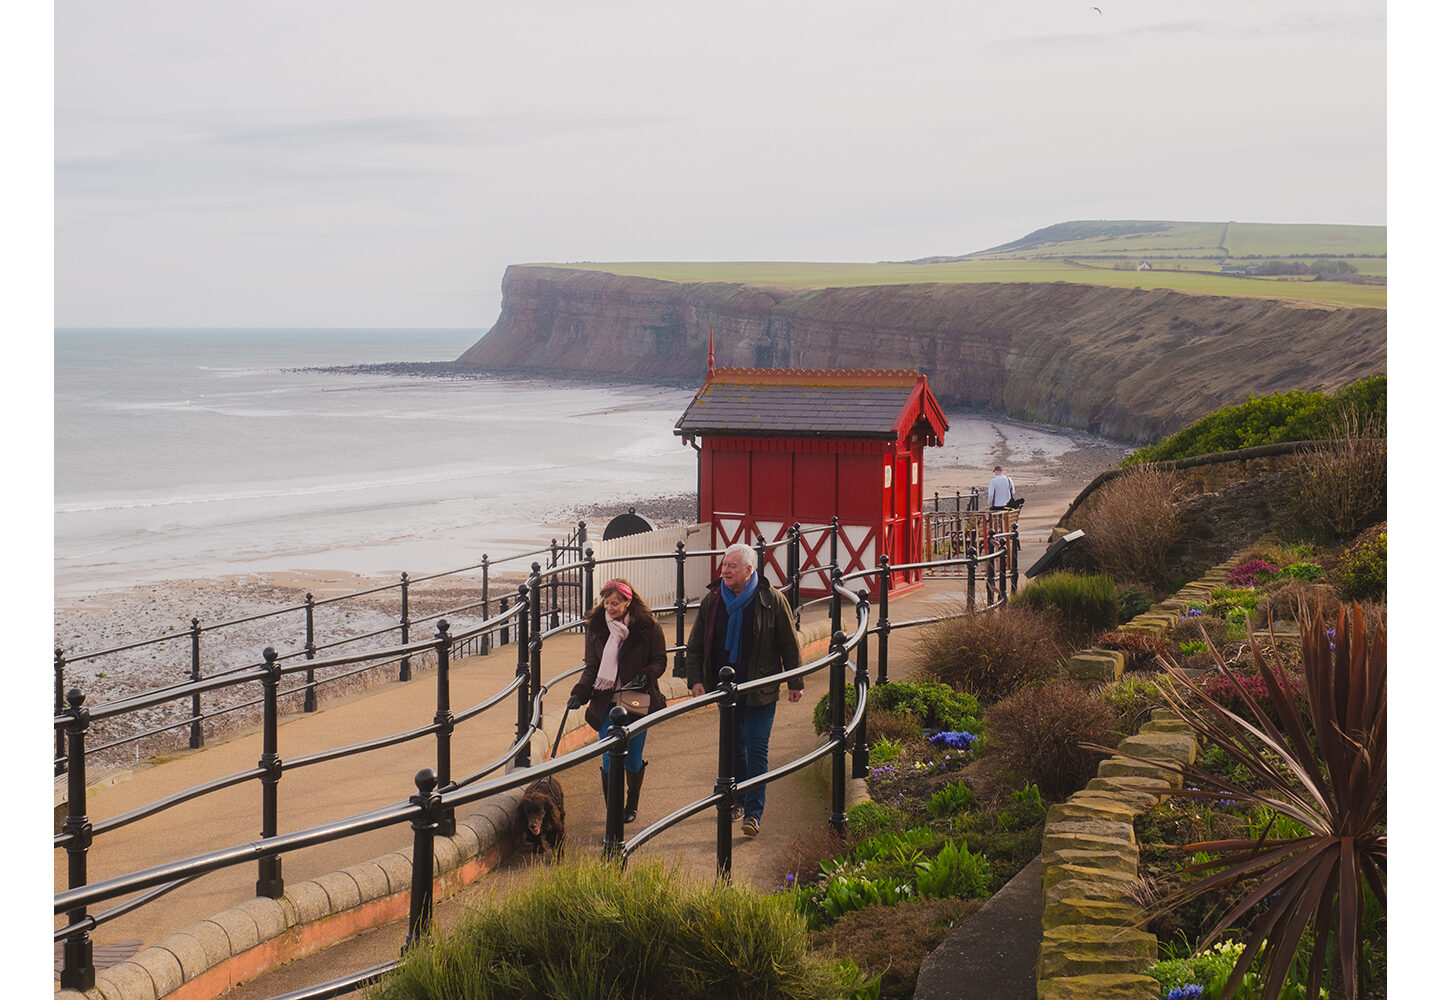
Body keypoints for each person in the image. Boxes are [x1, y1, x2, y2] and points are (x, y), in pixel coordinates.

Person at [684, 542, 803, 838]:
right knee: (735, 747)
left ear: (749, 571)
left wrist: (795, 681)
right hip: (728, 692)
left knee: (757, 749)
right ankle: (734, 800)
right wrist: (696, 679)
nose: (725, 570)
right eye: (724, 565)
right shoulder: (713, 601)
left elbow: (788, 642)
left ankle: (753, 813)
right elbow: (696, 645)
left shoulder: (771, 600)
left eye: (732, 566)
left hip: (761, 688)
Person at [567, 578, 668, 824]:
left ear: (628, 602)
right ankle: (614, 810)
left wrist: (647, 674)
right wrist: (580, 691)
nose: (609, 608)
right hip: (606, 702)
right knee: (608, 756)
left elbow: (660, 660)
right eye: (606, 602)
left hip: (636, 697)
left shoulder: (648, 626)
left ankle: (631, 803)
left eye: (615, 603)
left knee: (632, 759)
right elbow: (592, 666)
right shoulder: (597, 627)